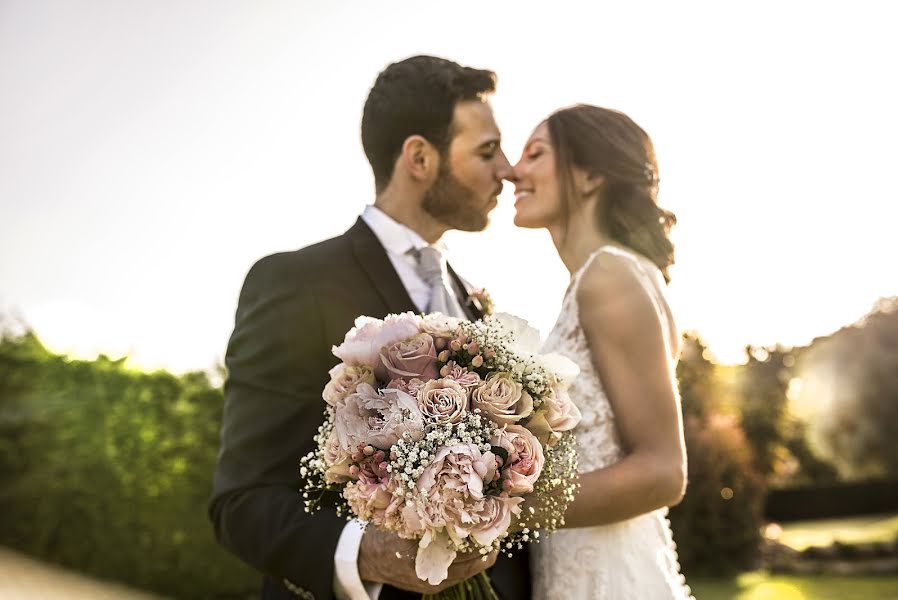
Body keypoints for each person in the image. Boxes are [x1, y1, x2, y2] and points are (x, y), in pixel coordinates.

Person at [208, 55, 531, 600]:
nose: (507, 168)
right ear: (420, 158)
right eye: (486, 150)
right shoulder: (295, 282)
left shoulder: (478, 307)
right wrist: (368, 554)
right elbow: (242, 501)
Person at [510, 104, 694, 599]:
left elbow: (662, 471)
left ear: (589, 175)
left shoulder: (607, 276)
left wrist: (496, 510)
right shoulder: (599, 277)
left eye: (536, 154)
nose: (512, 170)